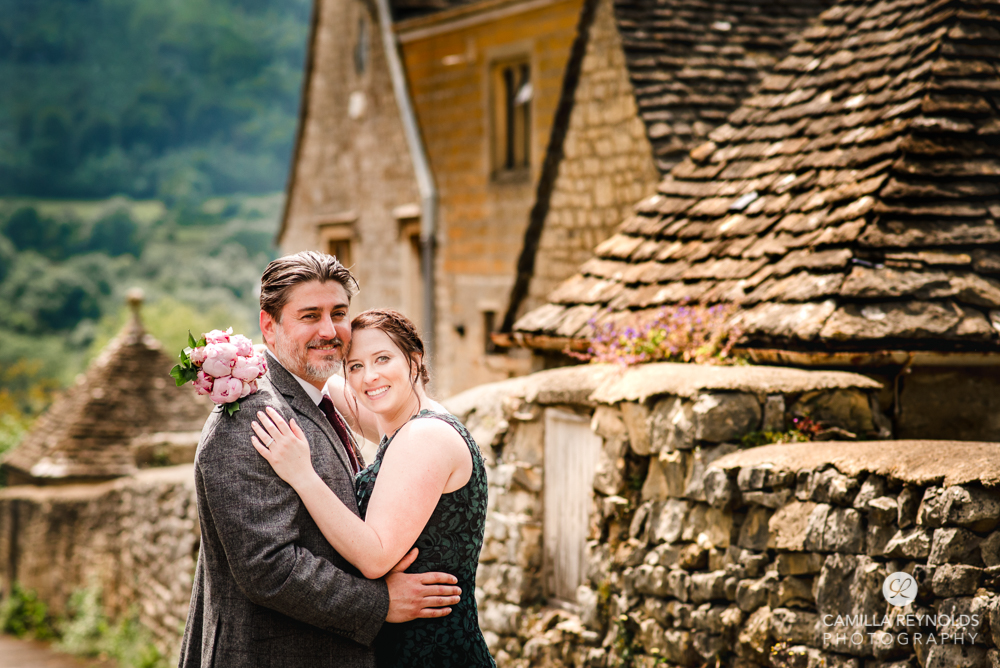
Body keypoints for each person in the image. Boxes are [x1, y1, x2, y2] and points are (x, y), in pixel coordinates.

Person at [179, 252, 462, 668]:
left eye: (339, 313)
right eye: (310, 315)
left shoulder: (321, 397)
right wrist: (380, 603)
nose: (329, 331)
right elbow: (269, 568)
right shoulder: (251, 418)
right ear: (269, 326)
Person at [251, 308, 496, 668]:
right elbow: (315, 380)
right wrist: (236, 356)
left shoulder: (424, 437)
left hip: (431, 652)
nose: (370, 377)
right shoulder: (400, 420)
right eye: (355, 366)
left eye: (383, 358)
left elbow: (375, 556)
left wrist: (301, 474)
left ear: (414, 359)